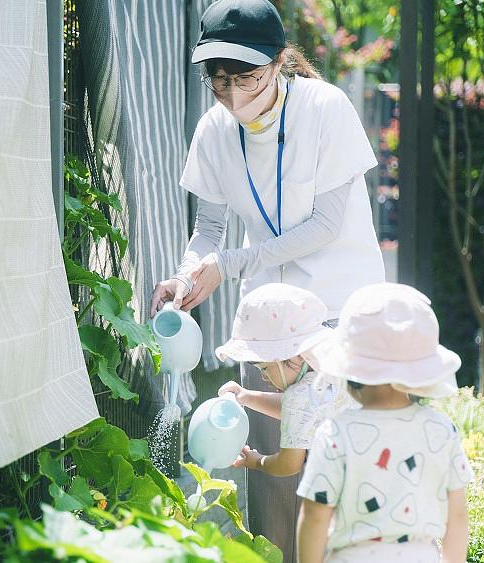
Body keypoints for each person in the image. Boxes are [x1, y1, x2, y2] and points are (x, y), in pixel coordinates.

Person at [148, 0, 385, 559]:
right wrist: (185, 279)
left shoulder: (326, 107)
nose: (232, 97)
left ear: (279, 62)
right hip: (267, 325)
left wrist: (228, 265)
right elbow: (207, 227)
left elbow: (326, 224)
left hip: (337, 314)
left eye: (247, 77)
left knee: (347, 476)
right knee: (275, 482)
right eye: (218, 81)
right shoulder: (213, 129)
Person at [297, 283, 472, 563]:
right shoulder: (442, 430)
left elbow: (316, 515)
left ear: (350, 371)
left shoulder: (334, 433)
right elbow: (457, 514)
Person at [215, 284, 355, 479]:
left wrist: (256, 461)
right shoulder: (345, 363)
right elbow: (305, 411)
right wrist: (246, 396)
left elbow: (288, 464)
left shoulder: (300, 397)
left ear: (291, 355)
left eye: (265, 368)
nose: (264, 377)